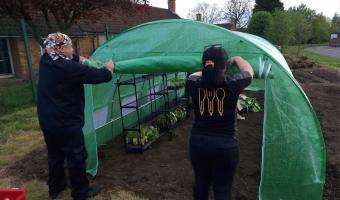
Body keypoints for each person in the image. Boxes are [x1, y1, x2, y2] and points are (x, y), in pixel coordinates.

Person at [37, 32, 114, 200]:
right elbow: (99, 76)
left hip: (48, 121)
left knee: (55, 154)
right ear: (63, 48)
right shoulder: (68, 69)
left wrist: (78, 57)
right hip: (66, 122)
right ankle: (81, 192)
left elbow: (69, 60)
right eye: (71, 46)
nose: (73, 49)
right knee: (76, 156)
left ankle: (56, 188)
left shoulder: (46, 60)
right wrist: (108, 69)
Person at [187, 45, 254, 200]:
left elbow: (194, 74)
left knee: (201, 184)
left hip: (198, 144)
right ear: (224, 67)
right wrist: (238, 59)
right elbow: (249, 71)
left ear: (204, 65)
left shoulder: (193, 83)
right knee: (222, 189)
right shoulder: (232, 83)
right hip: (225, 148)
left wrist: (207, 69)